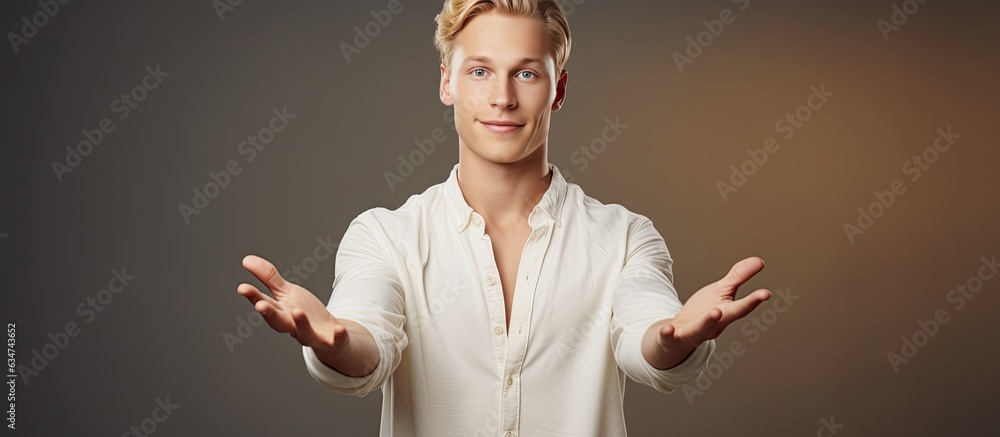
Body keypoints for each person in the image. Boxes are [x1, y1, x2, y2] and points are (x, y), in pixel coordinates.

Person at [237, 0, 772, 435]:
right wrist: (332, 340)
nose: (502, 97)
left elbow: (645, 336)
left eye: (526, 73)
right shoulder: (384, 235)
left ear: (558, 89)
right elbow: (366, 342)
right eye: (479, 71)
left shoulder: (626, 236)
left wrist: (675, 337)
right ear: (447, 83)